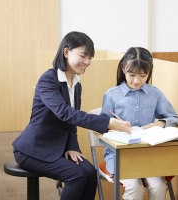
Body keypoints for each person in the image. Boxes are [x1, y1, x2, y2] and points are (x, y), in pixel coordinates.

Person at [12, 31, 131, 200]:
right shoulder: (48, 80)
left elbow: (71, 122)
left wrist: (72, 147)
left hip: (58, 147)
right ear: (66, 52)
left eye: (90, 57)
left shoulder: (76, 83)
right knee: (77, 176)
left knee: (90, 173)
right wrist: (107, 123)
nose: (87, 62)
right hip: (33, 149)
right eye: (83, 56)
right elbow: (65, 113)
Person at [100, 47, 178, 200]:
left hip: (148, 155)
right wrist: (114, 125)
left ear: (149, 73)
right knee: (134, 186)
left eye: (143, 76)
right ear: (124, 68)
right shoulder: (112, 95)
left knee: (158, 186)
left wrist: (160, 123)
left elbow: (176, 118)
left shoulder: (155, 94)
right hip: (120, 155)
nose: (137, 81)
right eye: (132, 75)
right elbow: (101, 127)